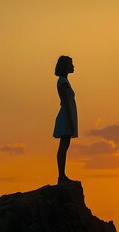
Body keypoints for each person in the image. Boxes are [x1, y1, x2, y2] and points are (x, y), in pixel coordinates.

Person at [53, 55, 78, 184]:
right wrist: (71, 121)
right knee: (63, 147)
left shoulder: (64, 81)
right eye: (71, 64)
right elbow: (66, 103)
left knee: (65, 146)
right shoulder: (62, 82)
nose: (73, 66)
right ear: (65, 66)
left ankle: (62, 175)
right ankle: (61, 176)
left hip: (67, 116)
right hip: (66, 118)